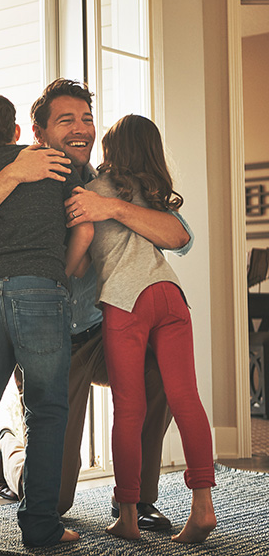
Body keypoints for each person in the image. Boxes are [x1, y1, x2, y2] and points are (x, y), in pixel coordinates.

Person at [0, 79, 193, 530]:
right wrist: (17, 174)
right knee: (53, 493)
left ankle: (134, 499)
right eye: (66, 120)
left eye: (86, 119)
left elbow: (180, 237)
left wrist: (110, 209)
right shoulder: (28, 173)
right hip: (53, 333)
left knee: (158, 372)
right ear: (36, 134)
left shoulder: (111, 182)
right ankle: (9, 449)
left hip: (102, 331)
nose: (81, 129)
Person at [0, 93, 93, 547]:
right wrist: (56, 276)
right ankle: (40, 527)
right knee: (46, 411)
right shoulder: (56, 163)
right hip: (41, 292)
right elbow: (83, 226)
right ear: (18, 131)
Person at [87, 114, 216, 543]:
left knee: (129, 409)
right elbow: (178, 239)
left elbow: (82, 248)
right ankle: (203, 509)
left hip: (127, 300)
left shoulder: (94, 190)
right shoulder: (153, 195)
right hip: (171, 295)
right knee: (186, 399)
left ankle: (127, 516)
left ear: (112, 150)